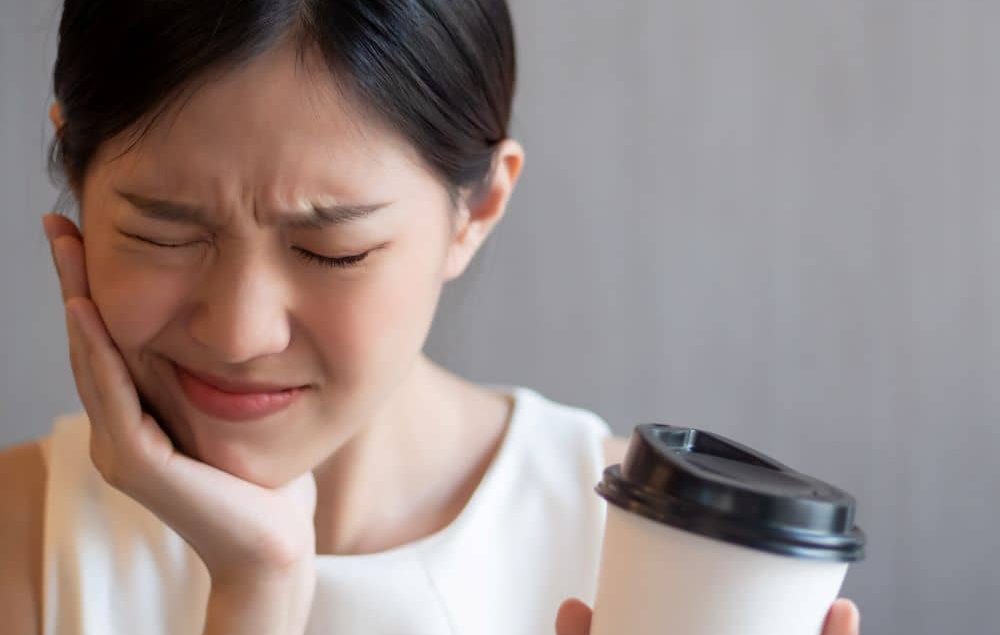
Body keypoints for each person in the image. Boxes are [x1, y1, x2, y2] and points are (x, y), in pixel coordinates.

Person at [0, 1, 862, 633]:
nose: (239, 332)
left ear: (476, 210)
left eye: (331, 250)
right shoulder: (23, 542)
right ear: (76, 178)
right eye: (163, 232)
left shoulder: (648, 554)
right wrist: (257, 588)